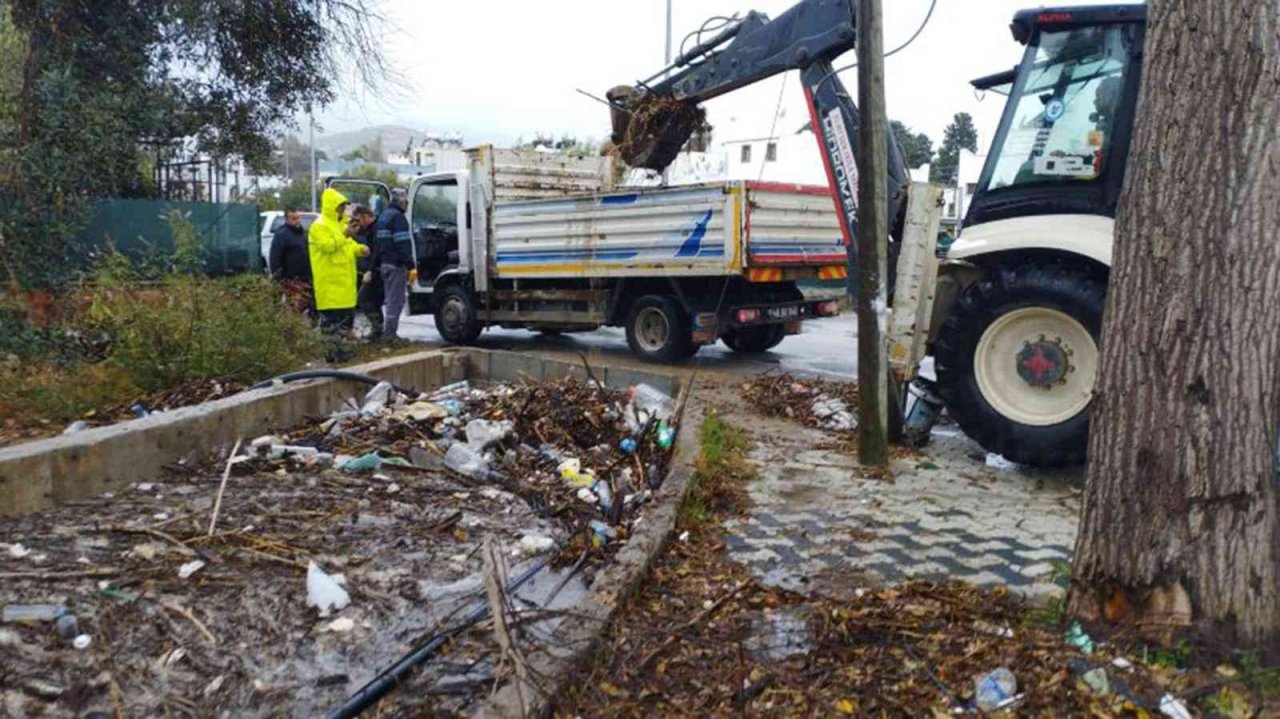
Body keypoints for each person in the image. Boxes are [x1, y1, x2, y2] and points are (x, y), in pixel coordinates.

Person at [308, 188, 369, 362]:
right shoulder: (319, 226)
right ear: (331, 206)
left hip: (344, 284)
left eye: (344, 206)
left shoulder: (340, 225)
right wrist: (344, 235)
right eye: (340, 206)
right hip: (329, 283)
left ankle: (342, 350)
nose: (343, 210)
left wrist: (360, 249)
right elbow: (328, 246)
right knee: (330, 322)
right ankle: (331, 353)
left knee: (346, 319)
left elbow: (347, 246)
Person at [374, 187, 414, 340]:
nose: (407, 204)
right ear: (401, 201)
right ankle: (390, 335)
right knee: (395, 301)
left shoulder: (384, 216)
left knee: (390, 299)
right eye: (406, 201)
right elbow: (402, 243)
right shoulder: (398, 218)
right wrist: (410, 265)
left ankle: (388, 333)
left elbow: (379, 244)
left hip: (385, 263)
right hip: (396, 265)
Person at [268, 208, 313, 317]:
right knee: (295, 308)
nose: (297, 221)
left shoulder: (302, 233)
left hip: (305, 277)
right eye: (293, 218)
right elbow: (275, 257)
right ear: (286, 219)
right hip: (291, 279)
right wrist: (279, 277)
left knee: (307, 305)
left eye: (298, 218)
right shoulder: (282, 234)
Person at [351, 205, 383, 339]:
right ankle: (378, 330)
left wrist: (370, 270)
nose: (358, 224)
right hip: (373, 269)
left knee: (364, 299)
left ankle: (378, 329)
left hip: (376, 270)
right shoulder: (370, 229)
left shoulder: (375, 229)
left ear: (365, 216)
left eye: (359, 220)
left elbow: (376, 251)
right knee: (374, 301)